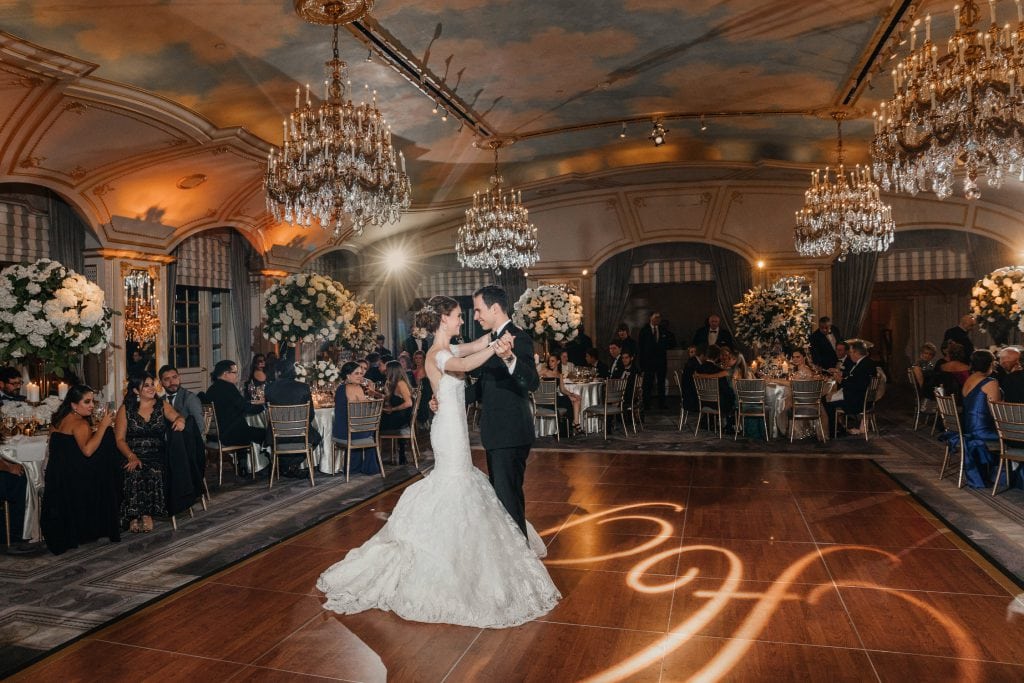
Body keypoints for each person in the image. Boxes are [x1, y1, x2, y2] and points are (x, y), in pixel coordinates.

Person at [317, 295, 560, 627]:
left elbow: (472, 346)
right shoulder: (437, 354)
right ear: (443, 319)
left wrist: (500, 338)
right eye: (459, 315)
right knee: (453, 484)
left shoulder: (450, 347)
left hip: (454, 426)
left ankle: (464, 555)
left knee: (467, 487)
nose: (464, 320)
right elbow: (464, 365)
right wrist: (497, 349)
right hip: (448, 433)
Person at [41, 385, 121, 554]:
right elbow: (87, 451)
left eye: (92, 401)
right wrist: (103, 427)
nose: (91, 405)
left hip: (56, 477)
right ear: (74, 405)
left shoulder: (57, 420)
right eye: (87, 401)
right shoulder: (80, 424)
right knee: (109, 453)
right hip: (74, 480)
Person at [114, 373, 186, 533]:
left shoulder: (162, 405)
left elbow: (177, 416)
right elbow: (119, 440)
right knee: (132, 470)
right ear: (135, 390)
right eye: (146, 385)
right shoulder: (125, 409)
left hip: (157, 453)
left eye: (152, 384)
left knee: (155, 469)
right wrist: (131, 456)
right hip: (131, 453)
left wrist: (180, 420)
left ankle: (147, 515)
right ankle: (133, 516)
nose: (151, 388)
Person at [944, 350, 1002, 488]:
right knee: (1015, 438)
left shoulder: (969, 379)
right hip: (982, 432)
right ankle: (1005, 476)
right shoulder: (991, 382)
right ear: (989, 365)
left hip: (969, 429)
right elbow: (998, 411)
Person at [265, 362, 322, 476]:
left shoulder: (269, 388)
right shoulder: (304, 387)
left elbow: (267, 410)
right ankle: (292, 465)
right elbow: (310, 415)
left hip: (277, 435)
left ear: (278, 372)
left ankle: (285, 465)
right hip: (300, 435)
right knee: (316, 438)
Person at [332, 361, 383, 476]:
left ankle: (355, 466)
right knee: (372, 431)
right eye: (356, 373)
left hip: (343, 430)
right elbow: (365, 411)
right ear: (348, 375)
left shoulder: (341, 388)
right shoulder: (355, 388)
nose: (360, 376)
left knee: (368, 429)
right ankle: (370, 467)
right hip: (350, 430)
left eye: (361, 373)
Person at [205, 360, 267, 450]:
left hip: (214, 436)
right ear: (226, 374)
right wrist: (263, 406)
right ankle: (270, 462)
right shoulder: (228, 387)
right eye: (234, 373)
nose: (236, 375)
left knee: (251, 431)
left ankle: (243, 461)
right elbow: (246, 408)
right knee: (267, 434)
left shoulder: (211, 389)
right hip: (229, 435)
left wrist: (250, 403)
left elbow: (235, 405)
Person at [825, 340, 877, 436]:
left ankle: (834, 432)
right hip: (865, 401)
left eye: (851, 352)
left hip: (857, 402)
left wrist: (841, 380)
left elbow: (856, 385)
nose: (850, 355)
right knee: (830, 397)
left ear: (857, 353)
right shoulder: (867, 362)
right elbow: (856, 378)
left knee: (826, 403)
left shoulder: (863, 365)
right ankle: (839, 428)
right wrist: (843, 375)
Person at [381, 360, 415, 464]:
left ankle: (375, 456)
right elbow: (389, 399)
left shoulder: (401, 383)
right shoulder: (394, 383)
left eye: (387, 370)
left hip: (401, 420)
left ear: (392, 371)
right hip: (399, 417)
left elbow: (409, 403)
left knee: (374, 425)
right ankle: (401, 452)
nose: (385, 372)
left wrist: (392, 409)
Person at [638, 311, 673, 409]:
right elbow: (641, 348)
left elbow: (669, 343)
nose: (657, 319)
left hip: (661, 362)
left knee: (661, 383)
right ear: (650, 318)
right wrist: (642, 364)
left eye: (659, 317)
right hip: (648, 362)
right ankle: (646, 404)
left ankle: (662, 404)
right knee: (648, 384)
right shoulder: (644, 331)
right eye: (655, 317)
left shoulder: (663, 330)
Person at [539, 354, 581, 432]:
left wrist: (572, 394)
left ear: (558, 362)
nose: (550, 363)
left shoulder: (559, 374)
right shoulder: (545, 371)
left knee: (575, 398)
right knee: (567, 399)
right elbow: (533, 377)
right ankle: (574, 424)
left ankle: (575, 423)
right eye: (549, 361)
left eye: (552, 361)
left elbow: (562, 390)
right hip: (546, 399)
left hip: (555, 398)